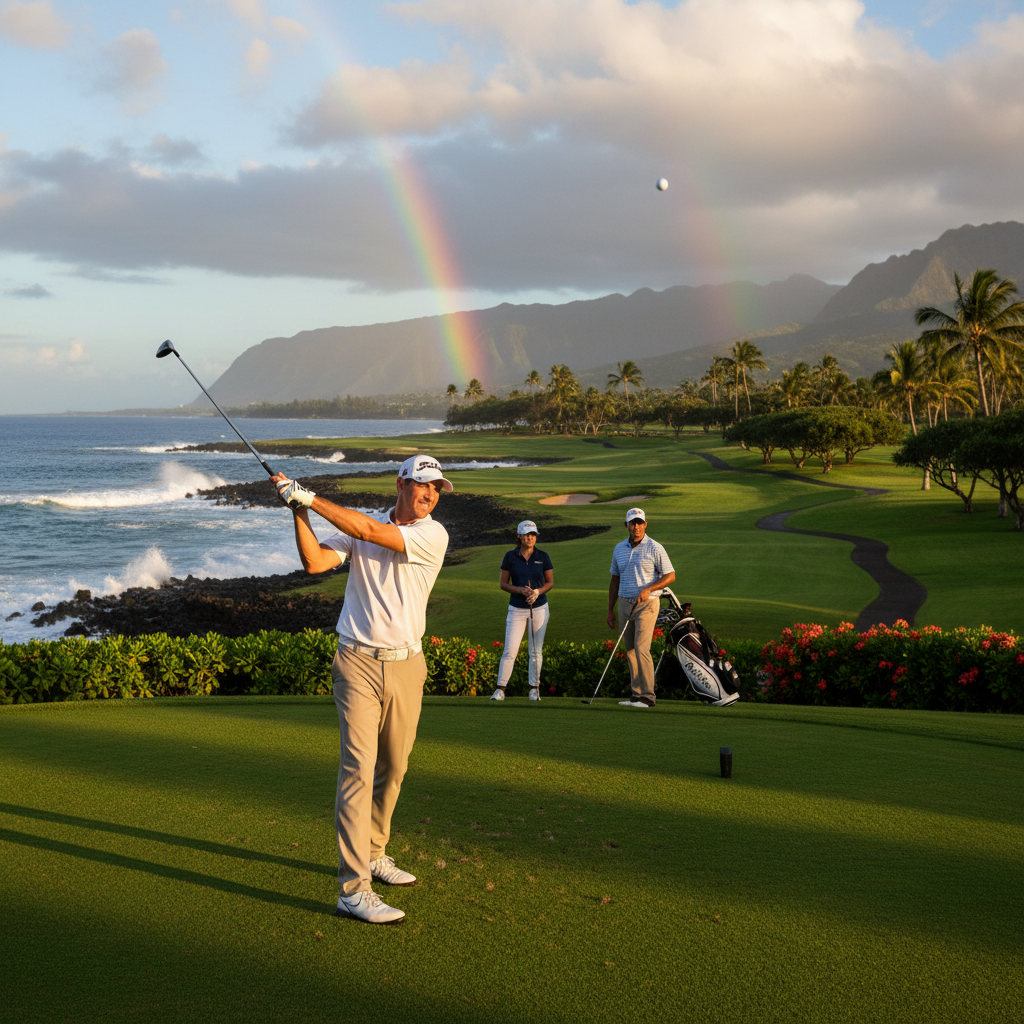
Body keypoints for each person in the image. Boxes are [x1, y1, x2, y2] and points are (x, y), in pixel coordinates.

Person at [272, 454, 452, 925]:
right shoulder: (363, 525)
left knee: (394, 767)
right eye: (423, 485)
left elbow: (371, 535)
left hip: (407, 664)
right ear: (401, 484)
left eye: (437, 488)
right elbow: (314, 562)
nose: (431, 494)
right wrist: (298, 509)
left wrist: (309, 495)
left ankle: (374, 851)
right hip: (355, 662)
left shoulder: (432, 534)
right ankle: (353, 889)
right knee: (359, 768)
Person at [607, 507, 675, 709]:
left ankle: (648, 696)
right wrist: (610, 609)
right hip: (624, 603)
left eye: (639, 523)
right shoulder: (619, 549)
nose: (636, 526)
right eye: (632, 523)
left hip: (648, 603)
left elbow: (670, 575)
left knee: (642, 648)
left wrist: (649, 589)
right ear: (626, 525)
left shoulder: (655, 547)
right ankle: (636, 695)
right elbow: (614, 580)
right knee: (629, 650)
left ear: (645, 525)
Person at [490, 520, 554, 702]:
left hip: (539, 607)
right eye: (526, 534)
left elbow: (550, 582)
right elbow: (503, 584)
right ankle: (500, 689)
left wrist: (536, 592)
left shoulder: (543, 556)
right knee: (510, 650)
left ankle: (534, 690)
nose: (530, 537)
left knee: (535, 651)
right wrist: (520, 590)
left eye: (533, 534)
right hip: (517, 609)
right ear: (519, 536)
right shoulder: (510, 556)